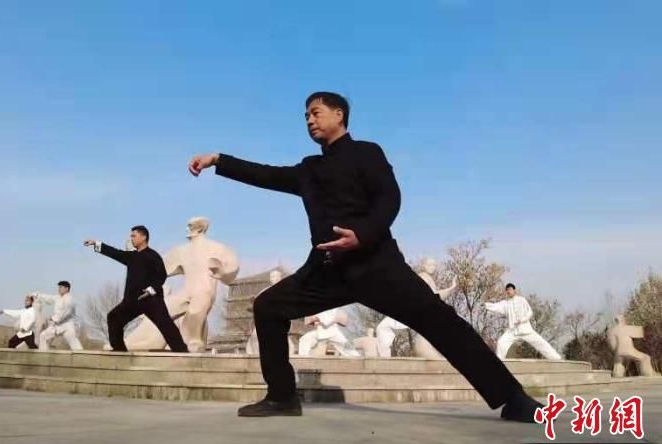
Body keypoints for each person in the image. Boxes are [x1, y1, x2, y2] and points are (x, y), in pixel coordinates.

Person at [188, 91, 542, 422]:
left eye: (316, 112)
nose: (309, 120)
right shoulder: (309, 169)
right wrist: (219, 160)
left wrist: (363, 234)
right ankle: (282, 396)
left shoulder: (367, 153)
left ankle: (514, 399)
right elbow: (266, 174)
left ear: (339, 115)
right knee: (268, 306)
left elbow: (390, 197)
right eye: (305, 115)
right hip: (326, 271)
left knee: (442, 323)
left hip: (377, 265)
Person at [84, 225, 188, 353]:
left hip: (151, 300)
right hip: (132, 301)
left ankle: (182, 351)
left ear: (143, 237)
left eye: (134, 236)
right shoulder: (132, 256)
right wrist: (96, 244)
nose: (131, 238)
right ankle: (119, 351)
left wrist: (150, 290)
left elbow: (161, 275)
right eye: (131, 236)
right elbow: (115, 253)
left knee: (165, 324)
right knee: (114, 317)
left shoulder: (153, 255)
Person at [486, 283, 562, 360]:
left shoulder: (521, 300)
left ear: (514, 291)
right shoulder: (505, 303)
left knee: (540, 343)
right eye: (507, 290)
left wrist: (522, 320)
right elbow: (496, 306)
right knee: (501, 342)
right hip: (513, 331)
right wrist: (485, 305)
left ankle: (556, 358)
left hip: (525, 329)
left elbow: (530, 312)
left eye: (510, 289)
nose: (509, 291)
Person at [34, 281, 83, 351]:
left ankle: (82, 356)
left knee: (75, 344)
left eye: (60, 287)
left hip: (68, 326)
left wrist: (54, 319)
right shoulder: (57, 297)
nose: (59, 289)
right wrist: (38, 295)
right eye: (58, 287)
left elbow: (65, 313)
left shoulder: (70, 299)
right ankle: (43, 355)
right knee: (43, 336)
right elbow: (48, 298)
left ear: (67, 289)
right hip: (58, 325)